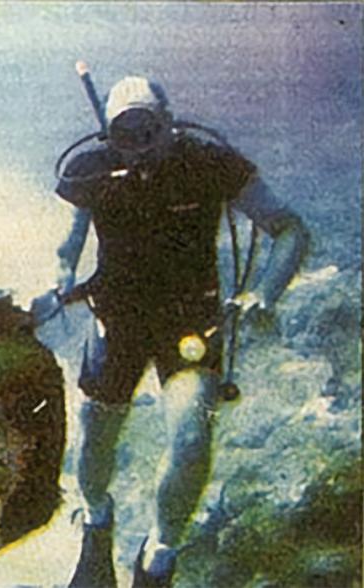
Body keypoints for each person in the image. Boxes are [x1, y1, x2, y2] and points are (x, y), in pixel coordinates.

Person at [52, 76, 309, 587]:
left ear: (169, 123)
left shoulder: (209, 163)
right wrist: (60, 280)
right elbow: (68, 247)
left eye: (149, 131)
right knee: (95, 434)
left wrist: (264, 292)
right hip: (118, 317)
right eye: (126, 135)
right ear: (109, 136)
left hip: (191, 321)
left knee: (192, 438)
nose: (140, 148)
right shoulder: (93, 170)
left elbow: (289, 229)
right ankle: (97, 522)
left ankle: (159, 555)